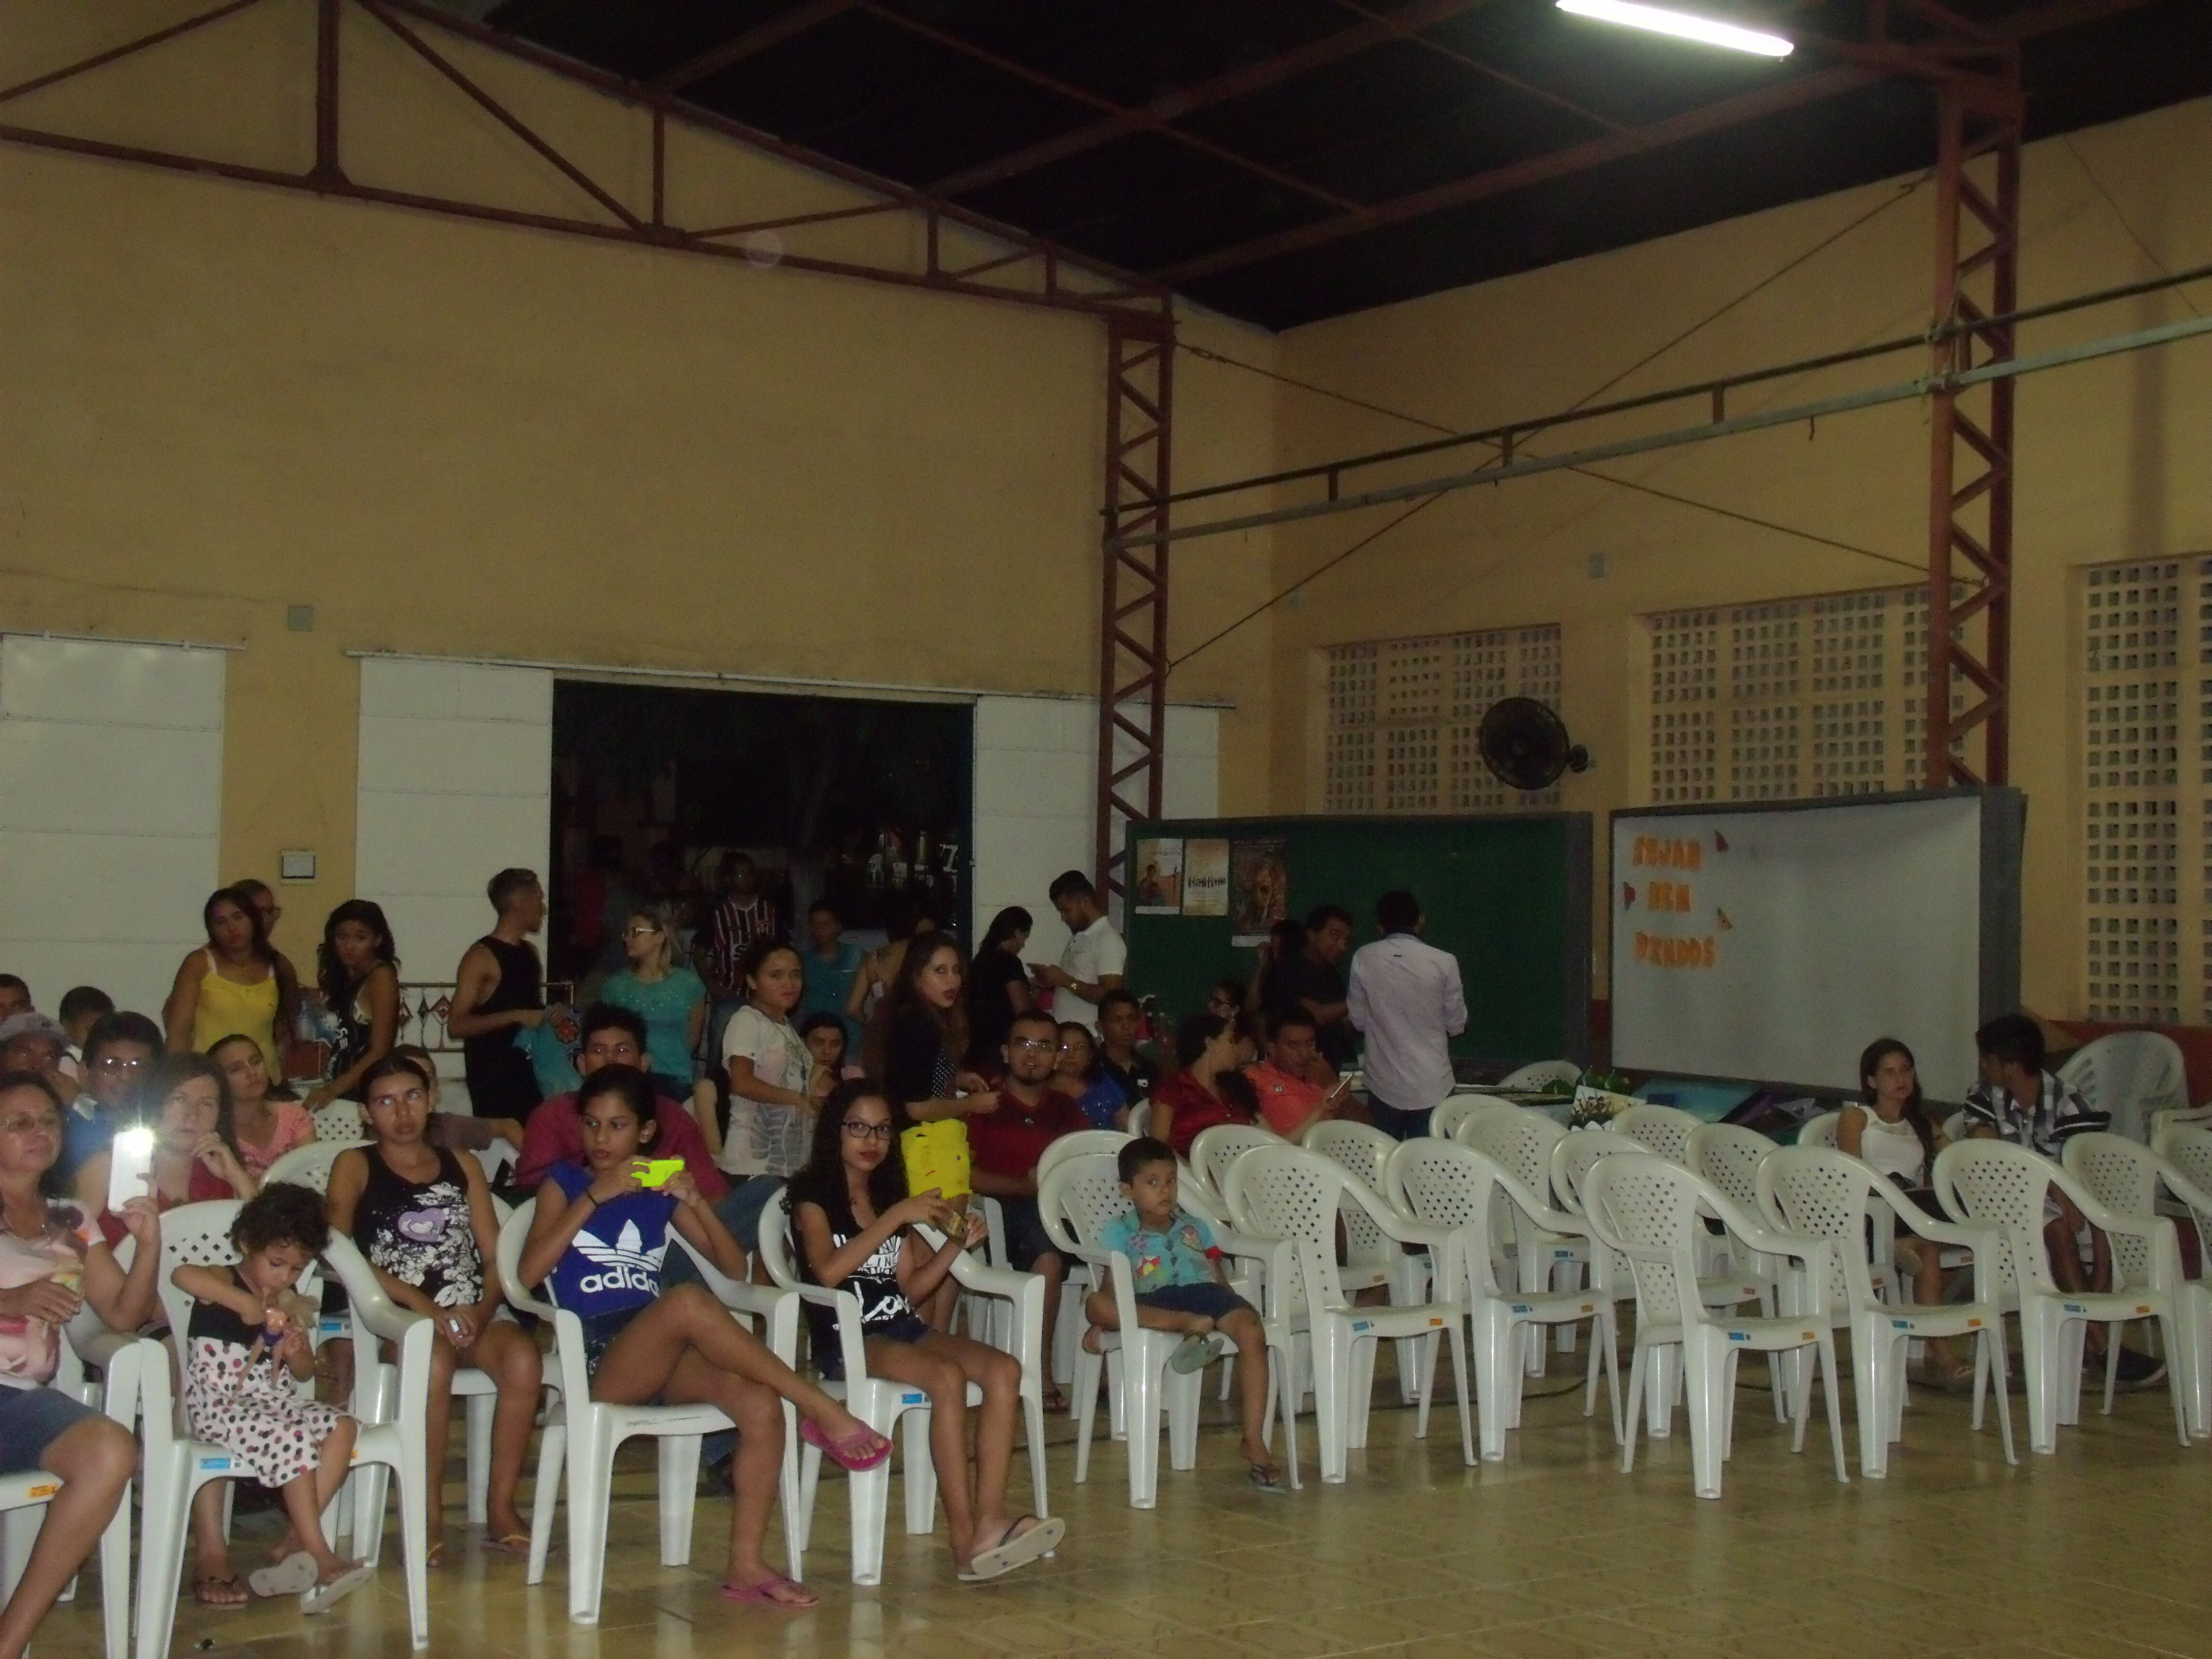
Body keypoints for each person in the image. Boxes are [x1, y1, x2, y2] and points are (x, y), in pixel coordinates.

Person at [517, 1065, 892, 1610]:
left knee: (758, 1403)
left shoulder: (657, 1191)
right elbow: (528, 1275)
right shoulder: (565, 1183)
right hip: (598, 1354)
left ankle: (745, 1564)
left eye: (618, 1125)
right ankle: (818, 1405)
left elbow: (732, 1269)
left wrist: (693, 1201)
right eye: (592, 1125)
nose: (601, 1138)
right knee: (687, 1301)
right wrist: (593, 1199)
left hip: (661, 1350)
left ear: (645, 1132)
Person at [789, 1079, 1065, 1580]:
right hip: (848, 1337)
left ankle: (989, 1521)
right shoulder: (812, 1195)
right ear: (835, 1131)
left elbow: (911, 1289)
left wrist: (954, 1247)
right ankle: (963, 1538)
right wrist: (895, 1217)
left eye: (881, 1130)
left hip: (899, 1326)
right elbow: (827, 1271)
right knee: (946, 1378)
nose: (872, 1140)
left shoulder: (887, 1194)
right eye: (858, 1128)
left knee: (1004, 1371)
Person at [327, 1056, 544, 1559]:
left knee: (523, 1359)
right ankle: (426, 1513)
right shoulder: (355, 1164)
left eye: (413, 1097)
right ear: (366, 1112)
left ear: (431, 1099)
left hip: (469, 1309)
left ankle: (501, 1507)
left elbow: (495, 1255)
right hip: (396, 1313)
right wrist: (422, 1305)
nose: (402, 1113)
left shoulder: (461, 1162)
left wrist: (482, 1311)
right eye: (385, 1102)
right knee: (434, 1362)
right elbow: (337, 1249)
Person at [0, 1070, 158, 1659]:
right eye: (19, 1122)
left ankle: (9, 1642)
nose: (39, 1131)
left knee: (111, 1450)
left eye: (48, 1120)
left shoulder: (70, 1219)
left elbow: (123, 1314)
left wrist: (147, 1243)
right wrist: (10, 1301)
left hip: (20, 1401)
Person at [172, 1183, 370, 1610]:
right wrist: (241, 1302)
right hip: (221, 1404)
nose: (284, 1277)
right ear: (248, 1244)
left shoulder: (287, 1302)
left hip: (271, 1403)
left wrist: (297, 1350)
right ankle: (320, 1554)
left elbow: (302, 1374)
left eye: (296, 1269)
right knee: (294, 1438)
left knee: (342, 1426)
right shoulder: (223, 1279)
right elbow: (181, 1275)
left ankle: (293, 1542)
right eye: (276, 1264)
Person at [1963, 1012, 2157, 1383]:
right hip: (2002, 1202)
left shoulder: (2067, 1102)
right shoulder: (1983, 1097)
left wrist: (2101, 1254)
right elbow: (1992, 1161)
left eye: (1987, 1059)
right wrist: (2052, 1186)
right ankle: (2105, 1349)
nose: (1982, 1066)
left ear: (2010, 1067)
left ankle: (2083, 1342)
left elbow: (2090, 1172)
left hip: (2067, 1204)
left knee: (2067, 1227)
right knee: (2056, 1230)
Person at [1086, 1136, 1282, 1490]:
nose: (1165, 1190)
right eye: (1152, 1182)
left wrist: (1233, 1308)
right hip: (1153, 1300)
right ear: (1127, 1190)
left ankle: (1253, 1436)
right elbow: (1112, 1284)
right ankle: (1188, 1325)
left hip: (1205, 1295)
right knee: (1095, 1304)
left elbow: (1216, 1275)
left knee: (1252, 1331)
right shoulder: (1120, 1230)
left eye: (1171, 1180)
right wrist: (1106, 1320)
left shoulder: (1195, 1226)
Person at [965, 1010, 1085, 1406]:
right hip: (1003, 1215)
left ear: (1057, 1057)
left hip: (1063, 1210)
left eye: (1044, 1046)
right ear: (1005, 1051)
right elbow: (967, 1175)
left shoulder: (1065, 1108)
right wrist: (1026, 1185)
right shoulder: (986, 1105)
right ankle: (1038, 1368)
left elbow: (1087, 1162)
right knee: (1047, 1254)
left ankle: (1109, 1359)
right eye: (1023, 1044)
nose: (1032, 1055)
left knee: (1128, 1238)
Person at [513, 1005, 728, 1202]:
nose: (610, 1060)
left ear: (643, 1063)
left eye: (622, 1050)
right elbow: (529, 1199)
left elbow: (714, 1194)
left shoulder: (673, 1116)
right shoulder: (551, 1117)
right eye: (598, 1050)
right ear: (582, 1064)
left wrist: (692, 1195)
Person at [1842, 1039, 1961, 1387]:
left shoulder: (1921, 1123)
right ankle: (1944, 1356)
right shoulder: (1857, 1117)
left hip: (1913, 1207)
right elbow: (1849, 1172)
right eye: (1890, 1072)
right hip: (1870, 1208)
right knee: (1927, 1241)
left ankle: (1905, 1244)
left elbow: (1957, 1159)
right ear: (1872, 1081)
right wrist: (1888, 1190)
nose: (1901, 1078)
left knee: (1934, 1239)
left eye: (1906, 1070)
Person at [711, 940, 824, 1253]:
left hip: (790, 1161)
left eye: (795, 974)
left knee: (777, 1254)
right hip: (754, 1162)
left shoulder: (787, 1027)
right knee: (752, 1252)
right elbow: (741, 1082)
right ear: (751, 980)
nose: (789, 983)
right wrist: (796, 1099)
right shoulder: (747, 1020)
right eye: (776, 975)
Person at [79, 1052, 257, 1240]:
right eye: (179, 1099)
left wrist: (237, 1177)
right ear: (155, 1104)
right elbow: (73, 1243)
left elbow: (265, 1239)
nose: (192, 1115)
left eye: (206, 1104)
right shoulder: (107, 1166)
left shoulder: (220, 1167)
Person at [1346, 890, 1467, 1141]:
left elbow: (1357, 1020)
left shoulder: (1363, 958)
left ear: (1380, 927)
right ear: (1420, 919)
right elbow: (1456, 1024)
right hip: (1432, 1084)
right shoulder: (1445, 962)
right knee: (1426, 1161)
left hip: (1383, 1084)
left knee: (1382, 1157)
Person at [447, 869, 557, 1125]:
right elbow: (456, 1025)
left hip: (528, 1069)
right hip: (493, 1073)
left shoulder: (529, 952)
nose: (543, 908)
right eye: (538, 898)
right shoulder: (480, 957)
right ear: (520, 903)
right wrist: (515, 1016)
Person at [164, 886, 298, 1082]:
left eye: (238, 917)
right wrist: (175, 1080)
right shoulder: (198, 963)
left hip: (261, 1079)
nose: (232, 928)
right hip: (210, 1078)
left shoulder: (278, 965)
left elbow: (287, 1025)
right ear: (212, 930)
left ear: (253, 919)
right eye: (221, 922)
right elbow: (179, 1031)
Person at [869, 934, 993, 1123]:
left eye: (956, 970)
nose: (952, 980)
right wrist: (971, 1103)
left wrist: (956, 1078)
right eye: (940, 971)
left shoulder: (926, 1014)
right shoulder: (916, 1024)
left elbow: (917, 1076)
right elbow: (917, 1108)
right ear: (917, 976)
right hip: (915, 1133)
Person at [599, 905, 706, 1102]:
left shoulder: (689, 985)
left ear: (659, 937)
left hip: (674, 1079)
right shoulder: (616, 986)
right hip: (628, 1078)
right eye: (626, 933)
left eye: (636, 932)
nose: (627, 939)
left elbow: (691, 1039)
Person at [305, 899, 400, 1112]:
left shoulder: (381, 976)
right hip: (341, 1086)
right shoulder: (347, 975)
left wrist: (332, 1090)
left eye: (360, 937)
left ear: (377, 940)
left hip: (365, 1092)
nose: (349, 946)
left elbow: (380, 1049)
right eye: (342, 936)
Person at [56, 1010, 160, 1196]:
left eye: (138, 1066)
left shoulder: (170, 1128)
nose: (125, 1077)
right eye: (112, 1065)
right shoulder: (62, 1129)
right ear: (85, 1073)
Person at [694, 853, 780, 1064]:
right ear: (728, 878)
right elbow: (699, 954)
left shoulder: (768, 911)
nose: (747, 878)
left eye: (750, 873)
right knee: (719, 1051)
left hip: (764, 995)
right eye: (740, 873)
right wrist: (713, 986)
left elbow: (783, 950)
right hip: (729, 994)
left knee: (765, 1054)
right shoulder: (718, 913)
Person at [1148, 1013, 1260, 1160]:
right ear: (1209, 1043)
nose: (1236, 1050)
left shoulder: (1235, 1087)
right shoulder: (1174, 1087)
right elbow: (1158, 1146)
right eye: (1230, 1041)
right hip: (1189, 1168)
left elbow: (1266, 1134)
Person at [211, 1033, 315, 1184]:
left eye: (256, 1062)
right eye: (236, 1069)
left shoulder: (294, 1116)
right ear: (217, 1082)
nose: (252, 1073)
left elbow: (312, 1173)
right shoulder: (214, 1131)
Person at [1263, 905, 1357, 1070]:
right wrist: (1362, 1000)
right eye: (1335, 935)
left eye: (1346, 941)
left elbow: (1343, 1028)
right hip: (1294, 1074)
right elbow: (1316, 1015)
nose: (1342, 946)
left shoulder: (1333, 977)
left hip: (1328, 1070)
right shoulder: (1289, 970)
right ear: (1312, 935)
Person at [1034, 870, 1125, 1036]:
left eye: (1066, 910)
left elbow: (1111, 998)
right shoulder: (1079, 937)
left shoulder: (1107, 940)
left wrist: (1065, 980)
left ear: (1085, 902)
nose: (1063, 918)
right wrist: (1050, 979)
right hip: (1068, 1034)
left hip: (1089, 1037)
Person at [1246, 1010, 1352, 1140]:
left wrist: (1332, 1080)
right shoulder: (1255, 1080)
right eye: (1293, 1046)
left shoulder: (1322, 1075)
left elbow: (1366, 1124)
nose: (1304, 1054)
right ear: (1272, 1049)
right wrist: (1321, 1109)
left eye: (1309, 1044)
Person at [844, 893, 930, 1031]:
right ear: (916, 923)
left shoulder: (873, 958)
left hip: (888, 1031)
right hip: (923, 1028)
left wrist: (875, 1026)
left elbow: (852, 1009)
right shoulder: (924, 953)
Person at [964, 906, 1035, 1069]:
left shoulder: (980, 959)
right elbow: (1022, 1010)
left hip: (977, 1043)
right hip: (1000, 1044)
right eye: (1025, 937)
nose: (1023, 944)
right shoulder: (1009, 962)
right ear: (1017, 933)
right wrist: (1035, 994)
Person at [795, 901, 864, 1052]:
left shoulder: (856, 957)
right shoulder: (802, 962)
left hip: (852, 1039)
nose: (820, 930)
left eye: (826, 924)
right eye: (815, 924)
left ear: (838, 926)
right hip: (816, 1040)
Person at [1095, 989, 1161, 1106]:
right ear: (1100, 1026)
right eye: (1117, 1020)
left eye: (1131, 1019)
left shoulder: (1149, 1069)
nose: (1126, 1026)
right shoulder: (1093, 1068)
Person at [1053, 1022, 1125, 1130]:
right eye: (1064, 1047)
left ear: (1090, 1055)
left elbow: (1126, 1125)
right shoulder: (1039, 1088)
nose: (1070, 1054)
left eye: (1079, 1048)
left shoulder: (1103, 1084)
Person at [0, 1016, 72, 1107]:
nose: (36, 1065)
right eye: (24, 1054)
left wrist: (72, 1104)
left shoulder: (64, 1105)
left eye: (49, 1057)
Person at [55, 986, 114, 1069]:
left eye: (102, 1030)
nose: (97, 1036)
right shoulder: (65, 1063)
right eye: (90, 1029)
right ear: (67, 1027)